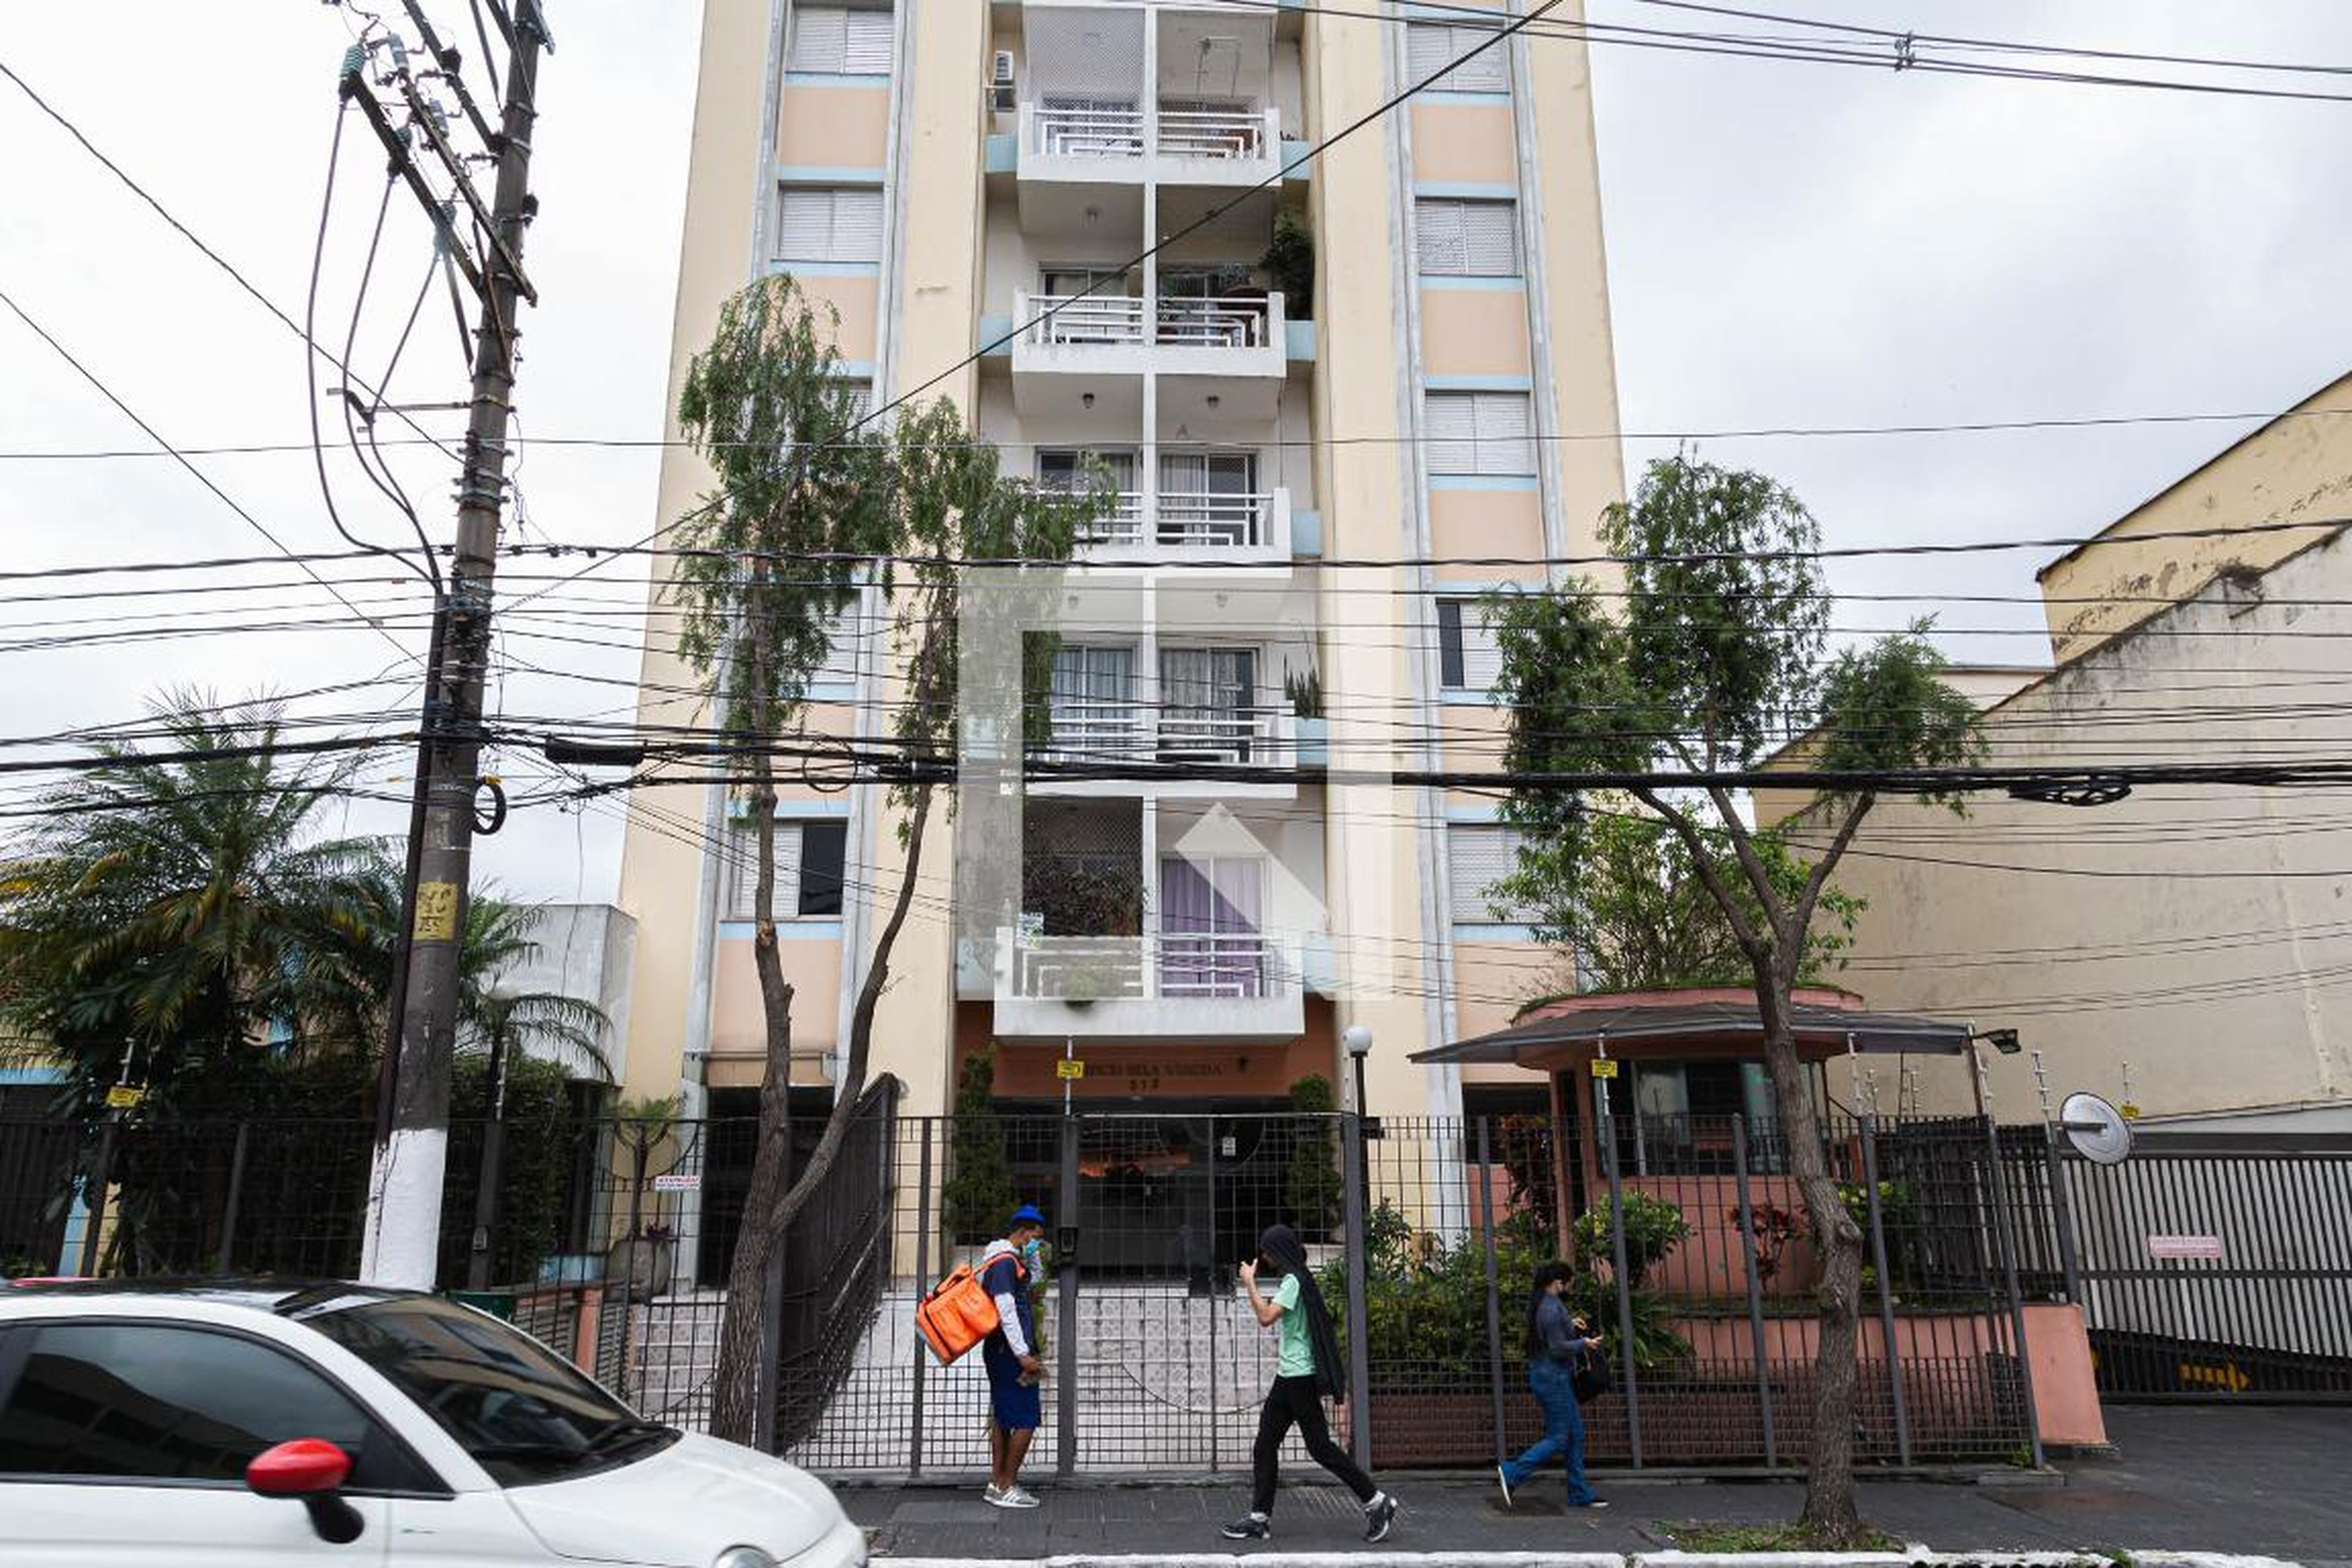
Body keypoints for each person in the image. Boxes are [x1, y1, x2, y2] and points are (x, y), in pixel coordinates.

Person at [1221, 1223, 1399, 1544]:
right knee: (1266, 1445)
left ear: (1278, 1252)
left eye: (1267, 1251)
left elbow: (1265, 1317)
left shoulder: (1293, 1281)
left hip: (1298, 1377)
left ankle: (1376, 1501)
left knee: (1320, 1448)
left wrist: (1249, 1283)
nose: (1264, 1256)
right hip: (1289, 1377)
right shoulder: (1299, 1277)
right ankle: (1259, 1519)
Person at [1495, 1261, 1606, 1510]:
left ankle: (1578, 1492)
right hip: (1553, 1379)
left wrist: (1571, 1324)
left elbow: (1553, 1334)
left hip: (1552, 1377)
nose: (1568, 1288)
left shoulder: (1547, 1303)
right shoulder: (1550, 1309)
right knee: (1559, 1437)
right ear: (1559, 1282)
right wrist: (1584, 1344)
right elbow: (1557, 1348)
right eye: (1568, 1283)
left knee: (1575, 1433)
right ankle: (1513, 1472)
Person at [980, 1204, 1048, 1509]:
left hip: (1001, 1350)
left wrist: (1032, 1259)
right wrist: (1023, 1355)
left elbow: (1031, 1288)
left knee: (1004, 1416)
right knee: (1026, 1417)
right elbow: (1006, 1310)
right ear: (1023, 1230)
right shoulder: (1005, 1263)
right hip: (1008, 1352)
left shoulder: (1007, 1260)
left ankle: (997, 1484)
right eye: (1036, 1236)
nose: (1039, 1241)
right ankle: (1007, 1485)